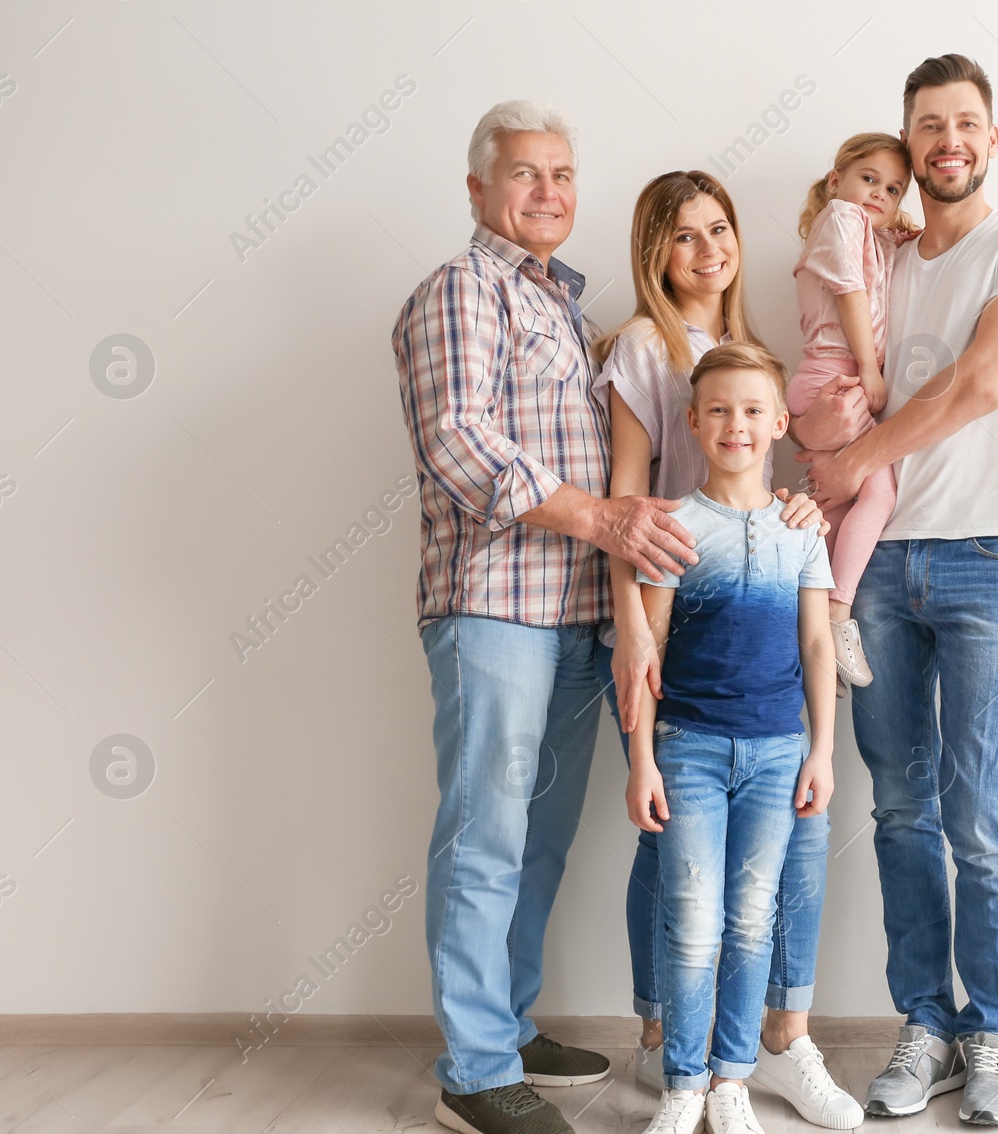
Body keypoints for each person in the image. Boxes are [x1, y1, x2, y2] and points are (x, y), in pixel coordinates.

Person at [391, 100, 703, 1134]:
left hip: (575, 618)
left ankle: (508, 1025)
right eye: (524, 174)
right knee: (486, 838)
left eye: (562, 175)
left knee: (537, 845)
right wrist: (607, 518)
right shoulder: (460, 291)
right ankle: (475, 1073)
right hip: (494, 611)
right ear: (478, 189)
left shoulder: (568, 311)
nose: (547, 193)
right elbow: (459, 442)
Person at [793, 54, 998, 1127]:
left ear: (990, 140)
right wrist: (832, 461)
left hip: (985, 558)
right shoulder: (882, 250)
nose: (946, 140)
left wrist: (855, 454)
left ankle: (989, 1033)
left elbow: (982, 381)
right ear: (907, 146)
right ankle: (926, 1024)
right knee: (901, 810)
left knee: (981, 817)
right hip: (873, 567)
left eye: (965, 122)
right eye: (927, 125)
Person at [593, 171, 862, 1129]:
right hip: (677, 614)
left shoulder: (747, 361)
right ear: (652, 254)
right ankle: (677, 1053)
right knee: (679, 878)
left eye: (719, 229)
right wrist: (631, 628)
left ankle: (750, 1058)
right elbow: (630, 505)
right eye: (681, 236)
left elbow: (816, 631)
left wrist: (793, 509)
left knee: (765, 885)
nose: (706, 249)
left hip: (773, 689)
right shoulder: (642, 346)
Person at [624, 342, 838, 1134]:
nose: (735, 425)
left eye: (753, 410)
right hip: (689, 750)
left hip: (780, 751)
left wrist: (820, 750)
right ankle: (683, 1084)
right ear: (692, 422)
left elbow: (819, 648)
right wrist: (642, 759)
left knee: (752, 917)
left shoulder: (802, 533)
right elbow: (646, 653)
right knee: (693, 916)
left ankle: (731, 1082)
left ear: (781, 423)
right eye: (717, 410)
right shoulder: (673, 525)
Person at [787, 133, 920, 691]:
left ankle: (813, 624)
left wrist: (900, 234)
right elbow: (850, 293)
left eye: (893, 189)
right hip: (837, 376)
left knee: (836, 507)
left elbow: (875, 270)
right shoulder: (841, 217)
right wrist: (870, 371)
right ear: (836, 177)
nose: (879, 193)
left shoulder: (865, 230)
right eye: (869, 178)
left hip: (825, 378)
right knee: (879, 492)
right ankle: (838, 615)